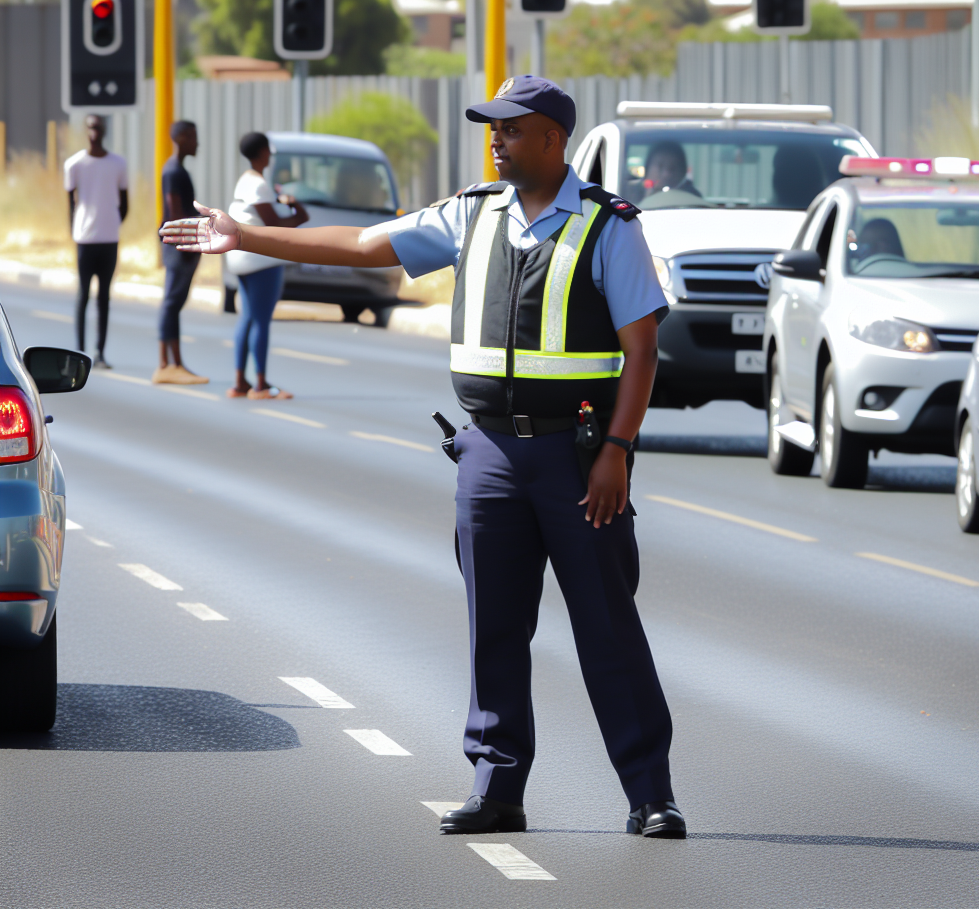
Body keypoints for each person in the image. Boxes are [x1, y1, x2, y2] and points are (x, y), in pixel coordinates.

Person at [162, 75, 686, 840]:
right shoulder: (470, 215)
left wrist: (617, 450)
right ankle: (497, 787)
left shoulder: (610, 229)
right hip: (489, 455)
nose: (496, 142)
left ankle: (650, 794)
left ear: (551, 136)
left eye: (509, 130)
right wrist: (246, 238)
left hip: (578, 461)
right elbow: (363, 244)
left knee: (606, 628)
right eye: (491, 130)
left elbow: (643, 351)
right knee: (494, 629)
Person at [226, 132, 308, 399]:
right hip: (261, 259)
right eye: (269, 151)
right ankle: (261, 385)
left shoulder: (245, 180)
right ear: (262, 152)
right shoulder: (260, 184)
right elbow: (275, 225)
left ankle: (240, 382)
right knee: (261, 320)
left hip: (240, 256)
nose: (271, 156)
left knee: (247, 318)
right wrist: (298, 213)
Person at [64, 114, 128, 369]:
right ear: (86, 130)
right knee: (83, 294)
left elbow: (125, 203)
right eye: (91, 127)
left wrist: (111, 222)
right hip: (85, 239)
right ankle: (77, 354)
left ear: (104, 131)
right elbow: (70, 202)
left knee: (104, 296)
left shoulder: (117, 163)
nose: (95, 132)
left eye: (99, 128)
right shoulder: (75, 164)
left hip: (109, 238)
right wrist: (76, 228)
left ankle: (99, 353)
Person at [154, 120, 208, 385]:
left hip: (181, 244)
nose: (197, 142)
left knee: (174, 302)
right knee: (171, 302)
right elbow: (174, 211)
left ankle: (174, 362)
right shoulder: (173, 171)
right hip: (179, 245)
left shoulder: (176, 169)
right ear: (182, 138)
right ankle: (167, 364)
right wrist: (186, 243)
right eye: (194, 137)